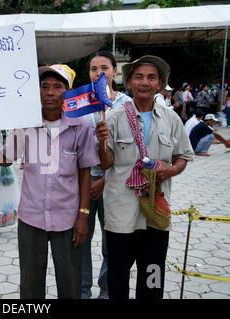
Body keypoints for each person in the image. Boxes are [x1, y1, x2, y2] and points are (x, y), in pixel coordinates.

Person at [0, 64, 99, 299]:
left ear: (67, 92)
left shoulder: (81, 128)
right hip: (31, 218)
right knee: (31, 285)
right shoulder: (25, 124)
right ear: (37, 92)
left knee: (70, 283)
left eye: (57, 87)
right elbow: (6, 159)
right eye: (44, 86)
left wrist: (83, 217)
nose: (50, 92)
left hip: (68, 220)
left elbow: (85, 173)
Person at [96, 55, 194, 299]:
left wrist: (170, 169)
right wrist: (101, 142)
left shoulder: (171, 119)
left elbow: (183, 156)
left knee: (153, 277)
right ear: (128, 83)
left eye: (151, 77)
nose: (144, 82)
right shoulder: (114, 117)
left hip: (156, 213)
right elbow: (106, 163)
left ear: (159, 84)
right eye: (138, 77)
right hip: (121, 214)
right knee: (117, 277)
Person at [80, 50, 132, 300]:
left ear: (114, 71)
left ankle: (107, 290)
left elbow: (130, 151)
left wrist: (104, 180)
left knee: (112, 242)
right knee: (80, 239)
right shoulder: (80, 104)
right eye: (93, 69)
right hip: (82, 184)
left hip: (114, 185)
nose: (99, 73)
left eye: (104, 68)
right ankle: (81, 289)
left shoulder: (126, 104)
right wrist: (87, 180)